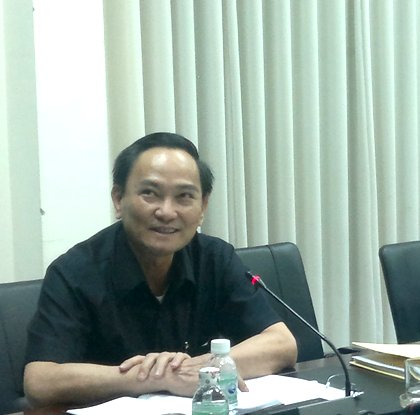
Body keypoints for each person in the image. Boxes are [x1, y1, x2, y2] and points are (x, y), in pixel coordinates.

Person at [23, 132, 298, 408]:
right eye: (150, 193)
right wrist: (155, 377)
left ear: (202, 206)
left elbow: (281, 344)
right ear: (118, 199)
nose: (166, 212)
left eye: (184, 196)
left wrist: (204, 367)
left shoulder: (214, 258)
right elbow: (40, 382)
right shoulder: (75, 272)